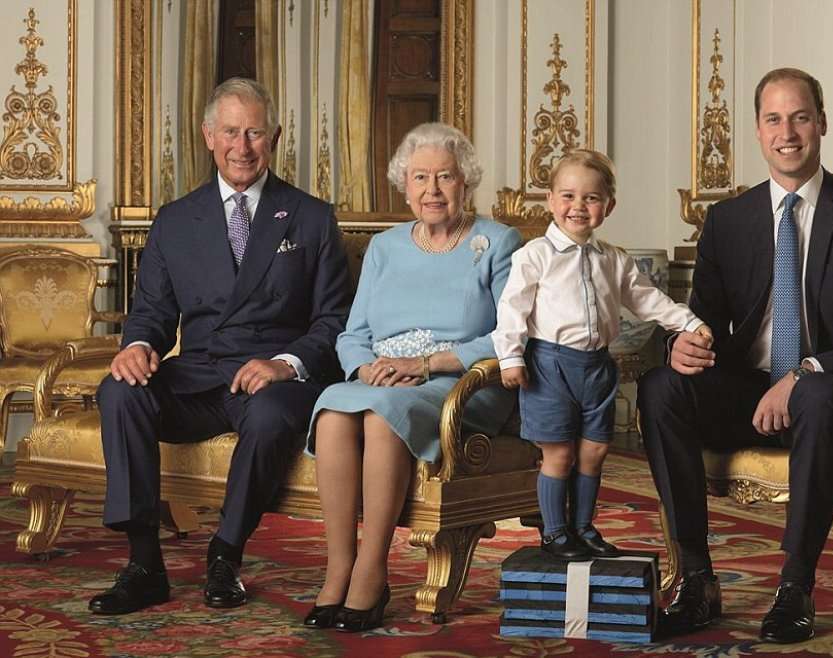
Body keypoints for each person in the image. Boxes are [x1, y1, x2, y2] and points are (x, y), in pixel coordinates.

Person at [637, 68, 833, 643]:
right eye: (773, 119)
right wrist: (681, 345)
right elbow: (704, 322)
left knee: (815, 392)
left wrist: (807, 370)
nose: (787, 131)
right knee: (661, 386)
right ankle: (696, 579)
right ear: (758, 132)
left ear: (821, 124)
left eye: (800, 117)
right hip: (751, 392)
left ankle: (794, 587)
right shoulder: (728, 220)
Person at [89, 77, 351, 615]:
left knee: (274, 411)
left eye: (254, 132)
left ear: (274, 138)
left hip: (272, 378)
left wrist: (286, 363)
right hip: (200, 372)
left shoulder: (312, 217)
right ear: (208, 135)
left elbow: (335, 321)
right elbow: (153, 315)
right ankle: (144, 564)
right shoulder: (176, 219)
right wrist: (137, 345)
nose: (243, 146)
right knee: (120, 390)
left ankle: (225, 555)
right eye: (231, 132)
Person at [303, 122, 522, 632]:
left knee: (383, 418)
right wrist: (365, 368)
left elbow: (510, 334)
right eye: (420, 177)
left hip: (460, 385)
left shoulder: (496, 241)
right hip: (383, 380)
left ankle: (371, 571)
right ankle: (339, 566)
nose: (432, 190)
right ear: (405, 184)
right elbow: (351, 333)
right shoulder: (385, 247)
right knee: (335, 409)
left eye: (445, 177)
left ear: (465, 182)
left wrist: (426, 365)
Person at [493, 149, 711, 561]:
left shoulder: (613, 259)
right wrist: (510, 358)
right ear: (551, 201)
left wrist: (687, 322)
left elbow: (647, 300)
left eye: (591, 198)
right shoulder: (533, 256)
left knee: (593, 451)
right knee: (558, 453)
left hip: (597, 367)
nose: (578, 207)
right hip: (550, 366)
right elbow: (512, 308)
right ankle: (555, 532)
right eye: (568, 196)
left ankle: (583, 526)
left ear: (608, 206)